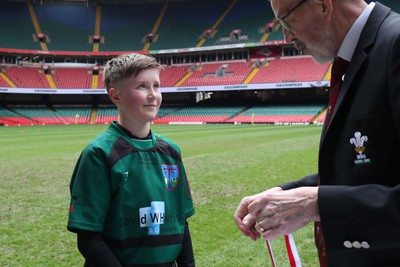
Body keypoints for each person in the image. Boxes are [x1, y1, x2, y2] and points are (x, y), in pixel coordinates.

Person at [234, 0, 400, 266]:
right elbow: (366, 169)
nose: (286, 37)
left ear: (323, 5)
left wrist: (313, 204)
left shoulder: (394, 44)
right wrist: (286, 193)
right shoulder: (357, 59)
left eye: (286, 21)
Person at [67, 53, 195, 267]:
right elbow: (88, 239)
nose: (153, 94)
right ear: (115, 96)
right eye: (142, 86)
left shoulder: (171, 151)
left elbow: (182, 223)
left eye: (156, 86)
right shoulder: (99, 153)